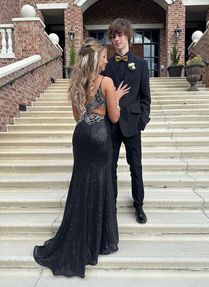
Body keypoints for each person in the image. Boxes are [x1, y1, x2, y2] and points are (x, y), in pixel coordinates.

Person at [33, 38, 129, 278]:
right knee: (100, 182)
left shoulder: (77, 82)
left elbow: (78, 117)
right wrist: (115, 98)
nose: (107, 60)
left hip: (82, 135)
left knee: (81, 183)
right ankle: (99, 240)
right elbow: (115, 118)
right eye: (104, 57)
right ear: (97, 59)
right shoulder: (106, 82)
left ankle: (79, 234)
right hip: (100, 136)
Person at [103, 18, 151, 224]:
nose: (116, 39)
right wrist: (113, 95)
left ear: (128, 37)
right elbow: (100, 93)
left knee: (136, 167)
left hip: (132, 125)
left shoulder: (140, 64)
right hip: (111, 125)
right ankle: (110, 206)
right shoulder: (105, 66)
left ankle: (138, 205)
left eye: (120, 35)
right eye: (113, 36)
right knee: (109, 167)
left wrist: (142, 120)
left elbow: (145, 97)